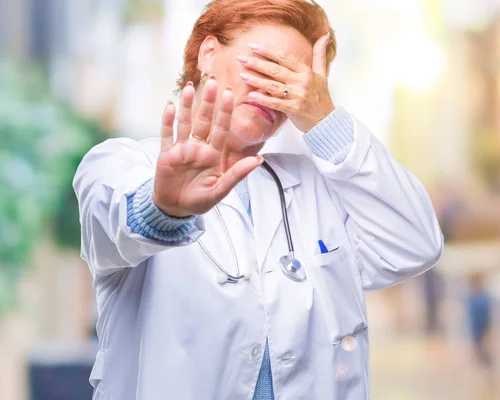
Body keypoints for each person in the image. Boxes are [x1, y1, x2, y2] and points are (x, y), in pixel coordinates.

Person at [73, 0, 444, 398]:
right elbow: (112, 223)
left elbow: (415, 245)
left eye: (293, 82)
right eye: (265, 66)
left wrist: (327, 122)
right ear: (209, 54)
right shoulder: (122, 163)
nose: (273, 91)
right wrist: (164, 209)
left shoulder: (318, 186)